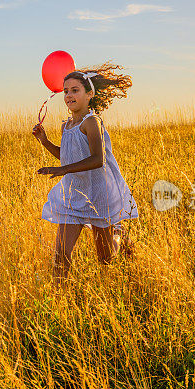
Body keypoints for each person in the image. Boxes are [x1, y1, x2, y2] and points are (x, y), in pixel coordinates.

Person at [32, 63, 138, 280]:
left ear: (89, 94)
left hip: (98, 194)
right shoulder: (67, 125)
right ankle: (59, 304)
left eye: (75, 90)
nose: (69, 95)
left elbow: (97, 160)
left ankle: (118, 234)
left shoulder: (92, 122)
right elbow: (68, 156)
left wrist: (63, 170)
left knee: (106, 258)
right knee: (61, 256)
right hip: (74, 194)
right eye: (66, 91)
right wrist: (44, 141)